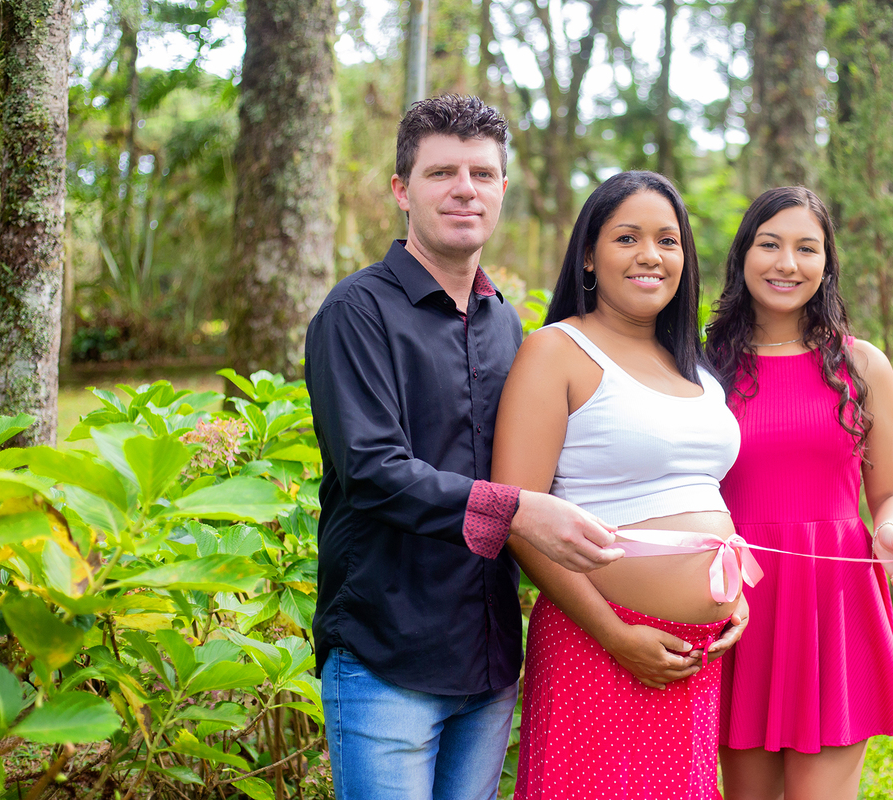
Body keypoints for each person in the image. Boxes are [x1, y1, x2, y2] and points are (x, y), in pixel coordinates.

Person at [304, 95, 624, 800]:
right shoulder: (355, 313)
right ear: (401, 190)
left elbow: (541, 465)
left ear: (502, 188)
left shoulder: (506, 324)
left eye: (482, 173)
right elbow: (372, 472)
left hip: (486, 662)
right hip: (388, 654)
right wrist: (518, 512)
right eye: (442, 172)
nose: (464, 189)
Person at [491, 171, 751, 800]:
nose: (650, 256)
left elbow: (701, 496)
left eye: (668, 240)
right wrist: (615, 634)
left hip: (693, 656)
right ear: (588, 253)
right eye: (627, 237)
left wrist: (734, 595)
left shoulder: (698, 369)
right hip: (598, 643)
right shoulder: (557, 351)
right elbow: (518, 518)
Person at [705, 186, 893, 800]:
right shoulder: (702, 367)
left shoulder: (863, 366)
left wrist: (891, 531)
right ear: (742, 256)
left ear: (827, 264)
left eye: (807, 248)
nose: (787, 264)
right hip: (740, 599)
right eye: (770, 244)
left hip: (836, 599)